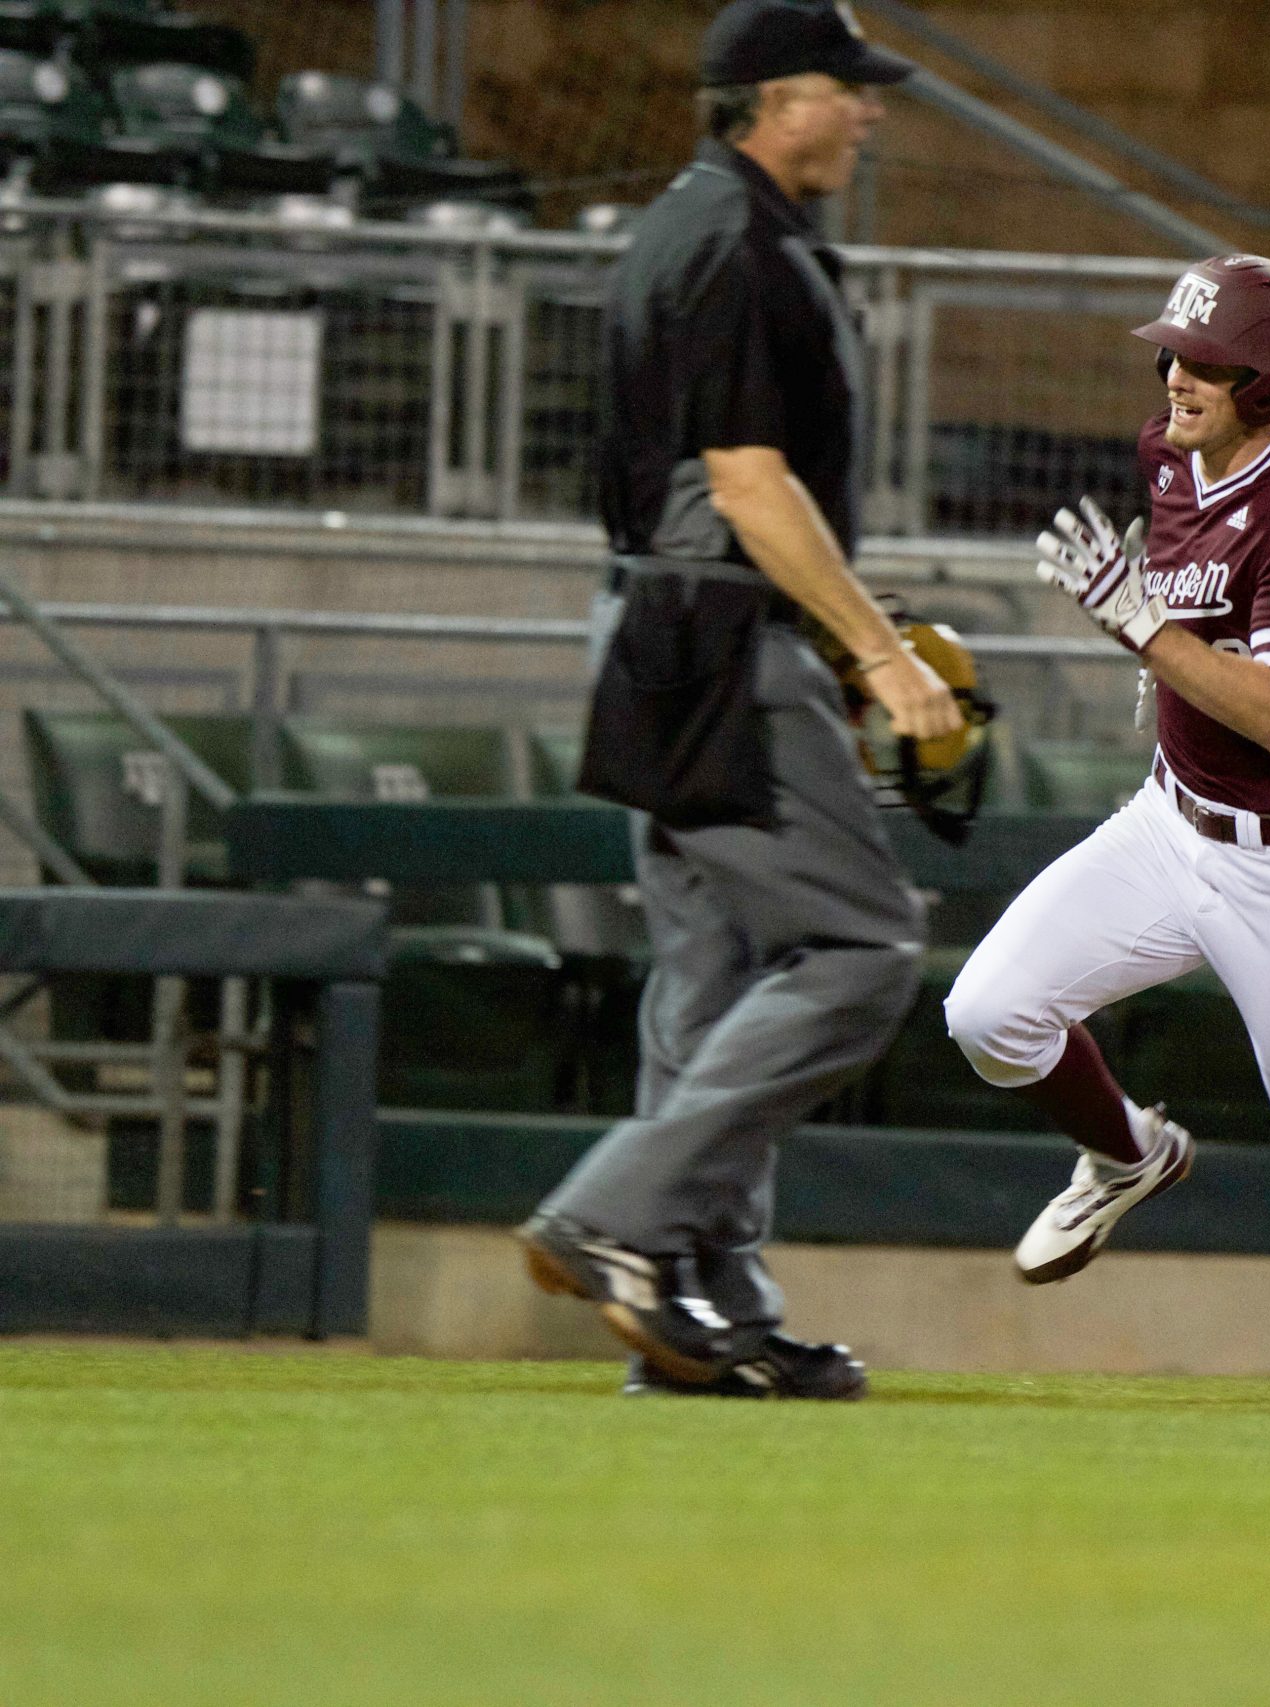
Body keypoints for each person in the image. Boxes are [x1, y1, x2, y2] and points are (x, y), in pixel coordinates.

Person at [515, 0, 963, 1399]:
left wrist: (854, 620)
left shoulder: (689, 220)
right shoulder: (741, 243)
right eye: (852, 88)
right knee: (859, 944)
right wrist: (875, 656)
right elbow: (754, 483)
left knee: (711, 976)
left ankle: (705, 1298)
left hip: (662, 619)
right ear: (776, 96)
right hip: (715, 634)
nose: (872, 111)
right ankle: (615, 1213)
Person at [942, 255, 1270, 1409]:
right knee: (987, 1013)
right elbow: (1198, 626)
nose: (1177, 377)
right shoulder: (1169, 457)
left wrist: (1142, 628)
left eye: (1207, 362)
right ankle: (1130, 1152)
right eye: (1173, 354)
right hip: (1167, 822)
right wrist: (1172, 652)